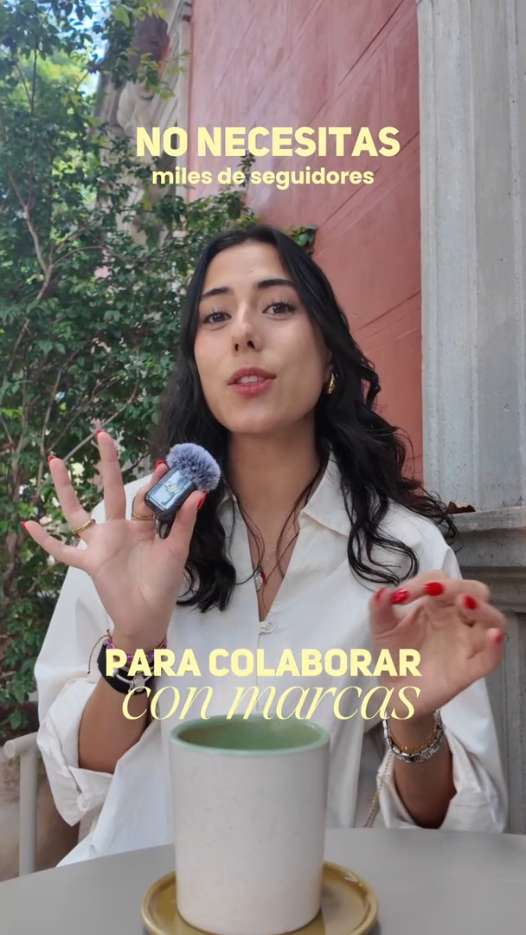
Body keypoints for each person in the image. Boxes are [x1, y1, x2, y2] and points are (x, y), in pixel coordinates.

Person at [28, 224, 507, 865]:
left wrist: (413, 718)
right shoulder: (135, 527)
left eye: (278, 306)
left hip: (326, 896)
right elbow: (85, 779)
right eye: (216, 315)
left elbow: (454, 832)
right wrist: (136, 646)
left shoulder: (406, 552)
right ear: (198, 360)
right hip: (138, 889)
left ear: (329, 350)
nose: (244, 333)